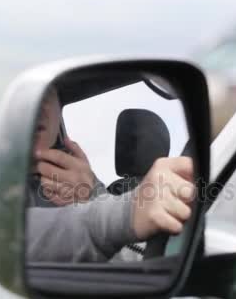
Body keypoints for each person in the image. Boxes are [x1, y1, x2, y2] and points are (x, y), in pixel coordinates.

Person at [25, 86, 195, 263]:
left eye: (48, 93)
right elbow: (10, 232)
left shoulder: (77, 182)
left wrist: (93, 194)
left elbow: (132, 262)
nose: (38, 103)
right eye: (25, 94)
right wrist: (127, 212)